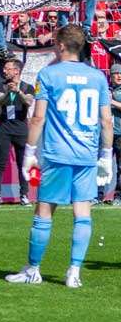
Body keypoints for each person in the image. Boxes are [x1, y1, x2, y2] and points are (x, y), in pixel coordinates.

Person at [7, 25, 112, 289]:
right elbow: (106, 120)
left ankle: (33, 269)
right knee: (83, 213)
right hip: (87, 154)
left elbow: (38, 117)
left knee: (44, 211)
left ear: (62, 46)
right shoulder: (97, 76)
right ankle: (74, 271)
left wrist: (29, 152)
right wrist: (107, 155)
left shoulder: (49, 74)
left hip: (57, 154)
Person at [0, 59, 35, 205]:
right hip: (4, 128)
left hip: (21, 130)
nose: (5, 71)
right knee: (0, 163)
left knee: (23, 164)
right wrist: (7, 93)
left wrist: (18, 92)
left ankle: (24, 195)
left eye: (8, 68)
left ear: (16, 71)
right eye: (4, 68)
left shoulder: (27, 87)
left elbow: (28, 102)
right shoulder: (0, 86)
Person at [109, 65, 121, 206]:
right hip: (104, 133)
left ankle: (118, 196)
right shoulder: (106, 89)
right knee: (100, 164)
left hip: (119, 133)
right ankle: (97, 195)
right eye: (116, 73)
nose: (119, 76)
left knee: (120, 167)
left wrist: (111, 101)